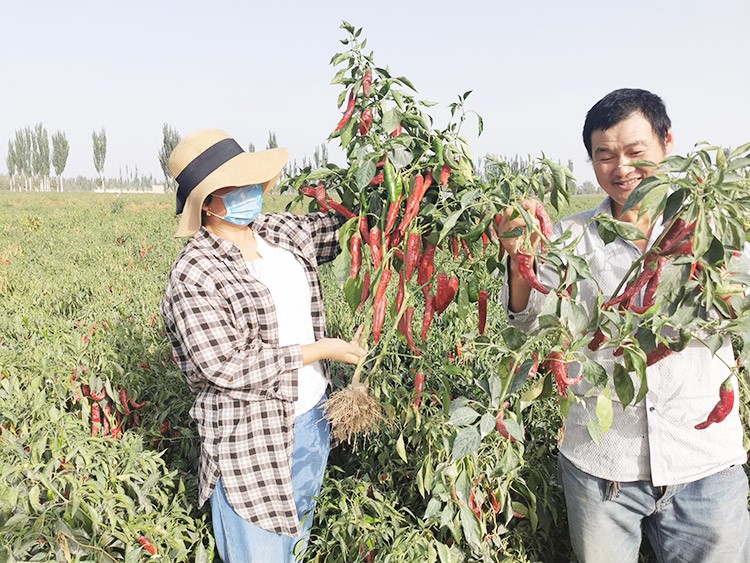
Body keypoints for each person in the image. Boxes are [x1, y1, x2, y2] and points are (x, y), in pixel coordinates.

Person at [496, 89, 750, 562]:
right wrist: (518, 261)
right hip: (602, 463)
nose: (622, 168)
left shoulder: (716, 231)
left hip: (704, 464)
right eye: (605, 155)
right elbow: (526, 327)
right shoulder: (568, 239)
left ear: (667, 142)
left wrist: (715, 278)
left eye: (636, 152)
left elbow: (740, 316)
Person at [160, 128, 366, 562]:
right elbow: (225, 364)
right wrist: (319, 351)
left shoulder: (277, 232)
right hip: (249, 438)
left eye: (250, 181)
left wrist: (387, 188)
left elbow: (342, 231)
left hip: (312, 419)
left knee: (295, 539)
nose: (249, 193)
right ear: (207, 201)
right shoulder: (194, 272)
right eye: (233, 186)